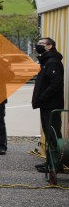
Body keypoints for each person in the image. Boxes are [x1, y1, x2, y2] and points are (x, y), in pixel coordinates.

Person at [32, 37, 65, 171]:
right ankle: (50, 162)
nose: (38, 45)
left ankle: (56, 165)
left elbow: (55, 85)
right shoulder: (45, 61)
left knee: (53, 134)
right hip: (45, 105)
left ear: (50, 46)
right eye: (38, 43)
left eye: (42, 44)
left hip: (51, 105)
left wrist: (42, 97)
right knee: (48, 133)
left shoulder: (53, 62)